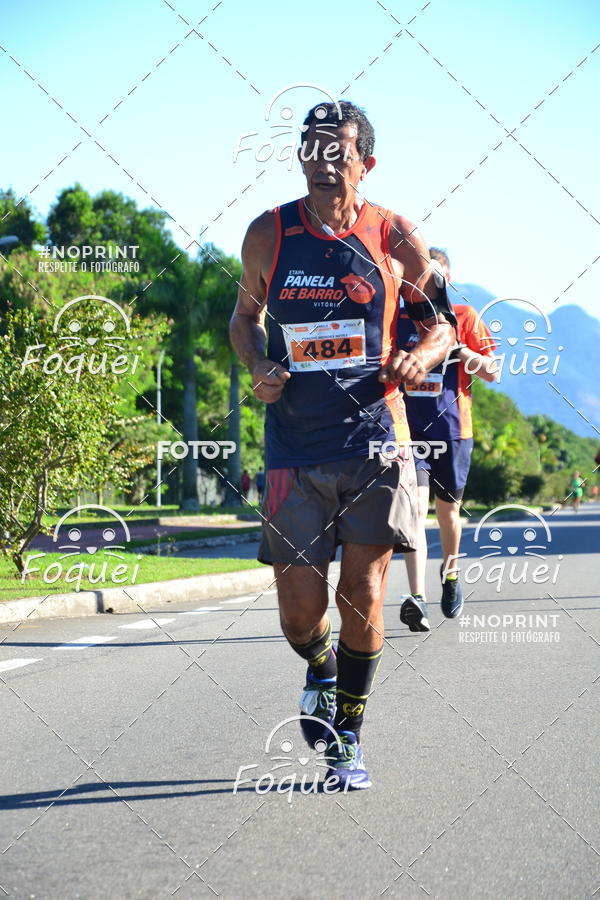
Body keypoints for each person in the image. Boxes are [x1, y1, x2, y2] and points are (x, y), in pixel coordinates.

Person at [230, 101, 456, 789]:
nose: (324, 162)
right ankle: (320, 671)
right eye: (312, 149)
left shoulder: (394, 235)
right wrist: (258, 365)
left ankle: (346, 738)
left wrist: (422, 354)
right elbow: (245, 318)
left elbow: (443, 321)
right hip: (293, 448)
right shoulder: (270, 232)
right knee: (301, 609)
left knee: (362, 592)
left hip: (375, 440)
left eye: (339, 149)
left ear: (367, 161)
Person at [397, 249, 498, 630]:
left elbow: (493, 372)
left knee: (447, 513)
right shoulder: (398, 317)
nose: (425, 284)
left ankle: (451, 574)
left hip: (454, 430)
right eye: (419, 277)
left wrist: (459, 350)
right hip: (409, 431)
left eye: (434, 278)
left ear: (447, 281)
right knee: (413, 512)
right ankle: (416, 597)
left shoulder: (466, 317)